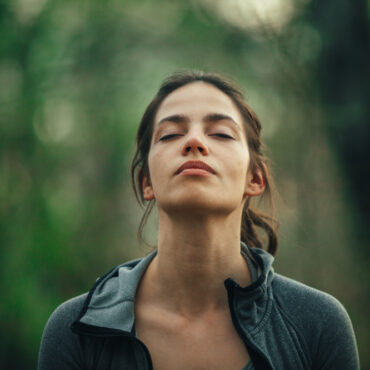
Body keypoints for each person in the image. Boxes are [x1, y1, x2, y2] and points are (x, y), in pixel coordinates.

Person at [38, 71, 360, 370]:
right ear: (146, 183)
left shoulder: (318, 325)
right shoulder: (76, 331)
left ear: (255, 179)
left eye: (221, 133)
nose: (194, 142)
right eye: (170, 134)